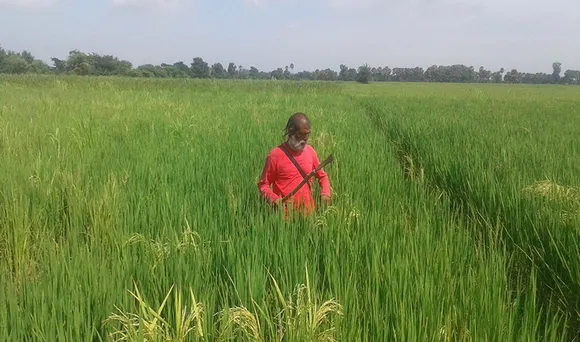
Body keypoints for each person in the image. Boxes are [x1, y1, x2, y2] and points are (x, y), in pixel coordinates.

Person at [257, 112, 331, 217]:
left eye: (308, 134)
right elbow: (263, 185)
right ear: (290, 132)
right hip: (285, 219)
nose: (305, 139)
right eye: (301, 134)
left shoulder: (310, 151)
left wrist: (325, 193)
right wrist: (274, 199)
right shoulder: (275, 156)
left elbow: (322, 176)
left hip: (308, 216)